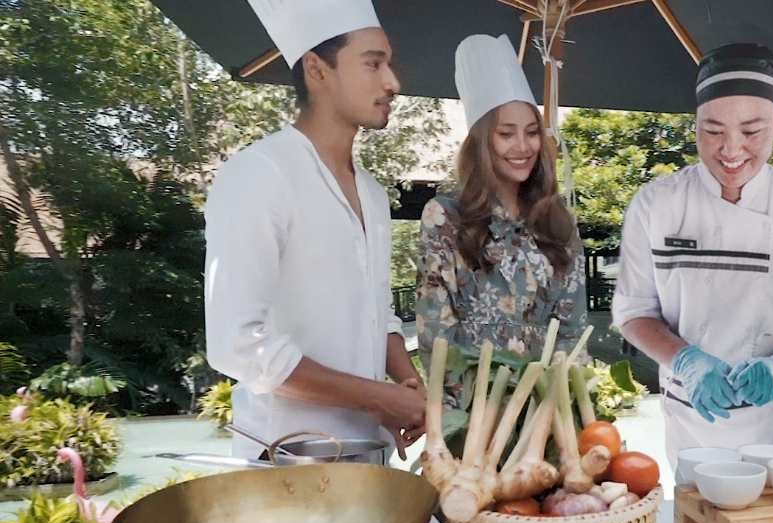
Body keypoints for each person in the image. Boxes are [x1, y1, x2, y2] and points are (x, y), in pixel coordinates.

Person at [612, 43, 773, 466]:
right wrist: (684, 360)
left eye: (752, 131)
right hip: (691, 421)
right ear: (695, 124)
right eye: (712, 130)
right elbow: (634, 312)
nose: (731, 149)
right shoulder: (655, 204)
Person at [205, 0, 425, 459]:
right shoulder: (260, 174)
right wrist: (379, 397)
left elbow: (376, 312)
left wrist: (407, 383)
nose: (393, 82)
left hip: (369, 454)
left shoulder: (372, 193)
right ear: (316, 70)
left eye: (389, 64)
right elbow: (237, 344)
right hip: (285, 460)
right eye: (373, 64)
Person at [415, 34, 586, 406]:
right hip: (471, 410)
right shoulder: (446, 216)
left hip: (545, 410)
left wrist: (569, 407)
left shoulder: (559, 224)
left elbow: (571, 331)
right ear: (482, 141)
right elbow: (436, 331)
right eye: (506, 134)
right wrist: (458, 416)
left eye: (531, 133)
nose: (522, 147)